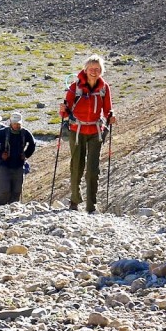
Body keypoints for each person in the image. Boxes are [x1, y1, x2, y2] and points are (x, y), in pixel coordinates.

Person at [59, 54, 115, 213]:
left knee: (93, 169)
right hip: (76, 131)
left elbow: (108, 109)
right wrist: (62, 110)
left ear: (101, 71)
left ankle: (91, 206)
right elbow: (65, 111)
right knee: (76, 166)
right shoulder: (74, 87)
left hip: (95, 132)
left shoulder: (104, 88)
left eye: (97, 69)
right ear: (86, 69)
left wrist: (111, 116)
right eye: (91, 69)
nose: (94, 72)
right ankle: (75, 201)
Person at [0, 112, 37, 206]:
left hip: (19, 165)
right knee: (4, 191)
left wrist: (26, 154)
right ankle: (0, 210)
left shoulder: (25, 133)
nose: (16, 125)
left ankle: (14, 209)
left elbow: (33, 143)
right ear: (10, 122)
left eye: (18, 124)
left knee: (17, 191)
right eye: (15, 123)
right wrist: (0, 154)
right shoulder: (3, 132)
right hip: (5, 166)